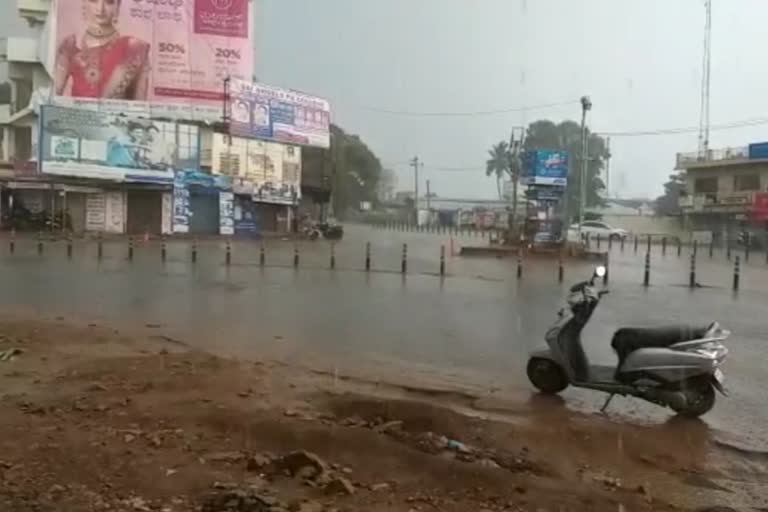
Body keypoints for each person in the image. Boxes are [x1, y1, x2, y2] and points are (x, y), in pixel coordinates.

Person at [55, 0, 151, 100]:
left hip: (116, 115)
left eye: (109, 2)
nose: (100, 9)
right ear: (84, 2)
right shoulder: (70, 45)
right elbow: (53, 97)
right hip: (78, 115)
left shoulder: (133, 48)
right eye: (93, 1)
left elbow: (139, 108)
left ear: (118, 6)